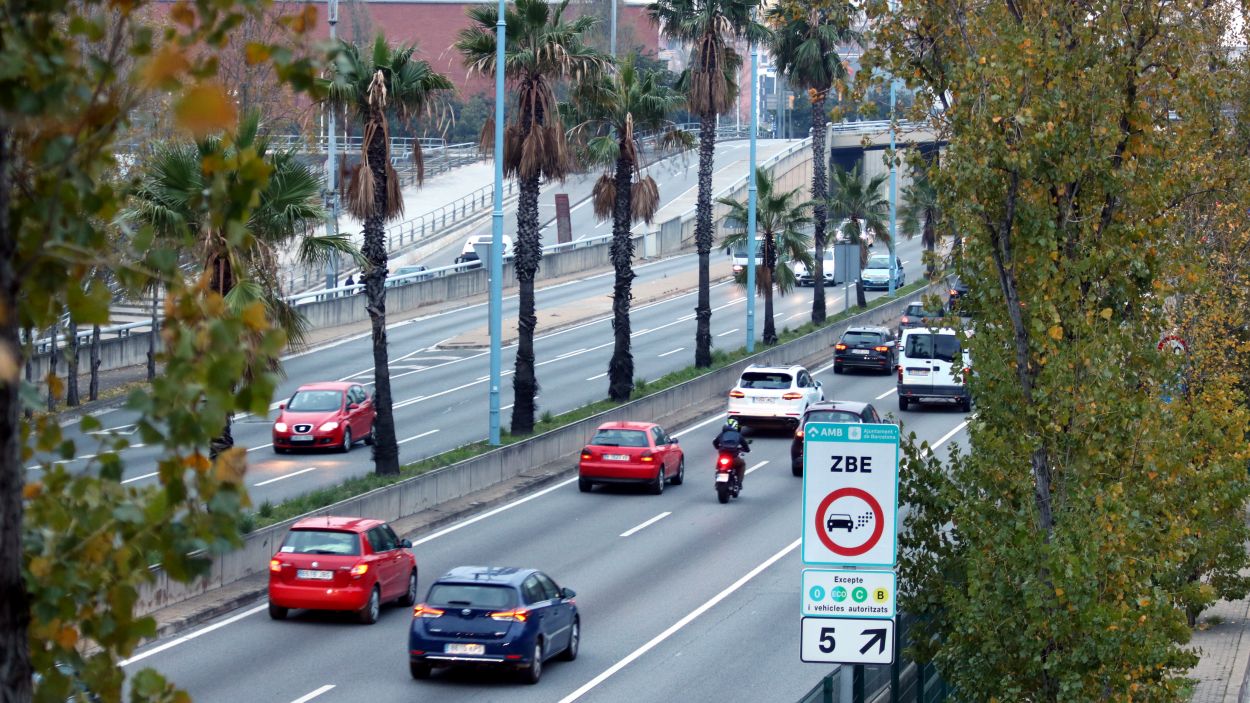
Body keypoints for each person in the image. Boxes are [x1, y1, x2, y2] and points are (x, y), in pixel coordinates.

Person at [712, 418, 750, 491]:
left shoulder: (722, 434)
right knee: (742, 464)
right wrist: (747, 450)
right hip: (733, 458)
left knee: (718, 468)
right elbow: (745, 445)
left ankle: (717, 481)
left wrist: (718, 447)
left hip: (722, 457)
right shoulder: (738, 435)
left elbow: (715, 442)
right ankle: (739, 483)